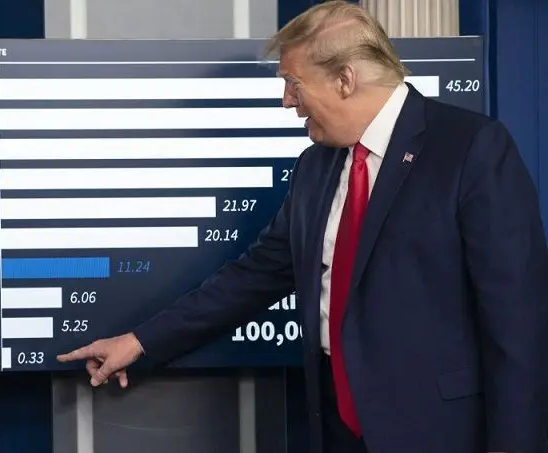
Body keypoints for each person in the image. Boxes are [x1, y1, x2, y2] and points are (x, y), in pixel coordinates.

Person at [57, 1, 548, 452]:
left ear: (345, 79)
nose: (287, 102)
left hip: (438, 433)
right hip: (335, 428)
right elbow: (255, 276)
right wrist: (140, 342)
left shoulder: (470, 149)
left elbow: (517, 320)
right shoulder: (316, 165)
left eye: (293, 82)